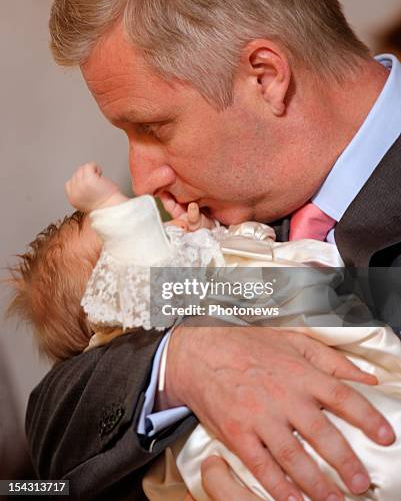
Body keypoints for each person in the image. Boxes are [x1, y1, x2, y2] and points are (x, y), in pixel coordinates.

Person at [27, 0, 401, 499]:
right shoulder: (199, 225)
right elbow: (49, 429)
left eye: (153, 127)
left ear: (265, 77)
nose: (143, 180)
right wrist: (183, 362)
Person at [12, 164, 401, 500]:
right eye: (113, 245)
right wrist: (106, 204)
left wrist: (205, 234)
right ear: (103, 295)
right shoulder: (136, 302)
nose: (142, 181)